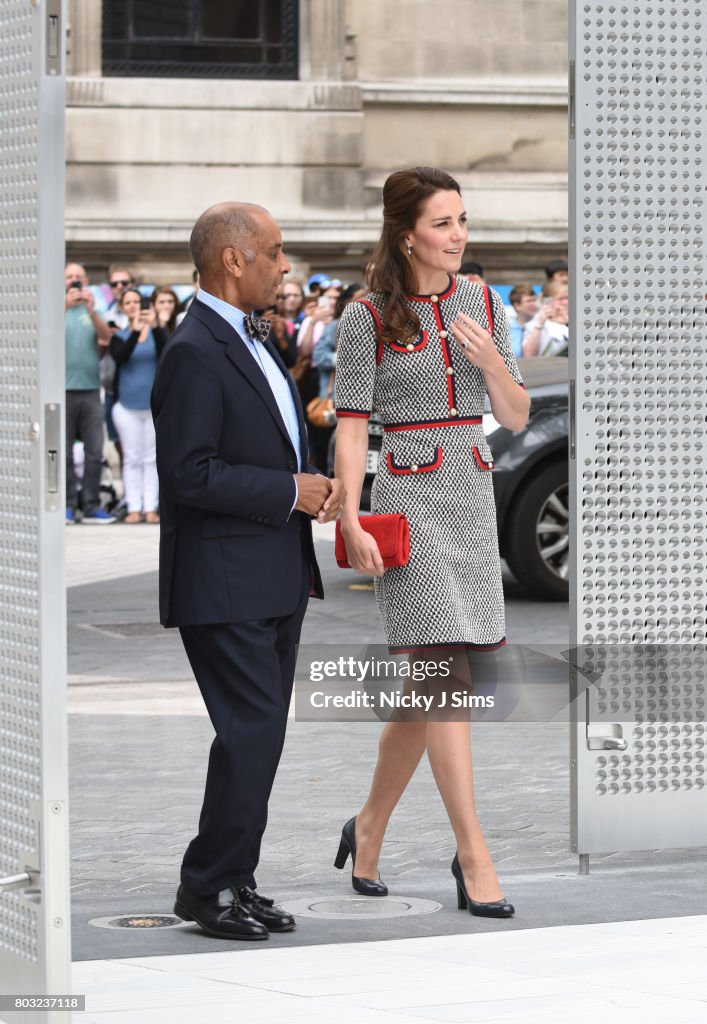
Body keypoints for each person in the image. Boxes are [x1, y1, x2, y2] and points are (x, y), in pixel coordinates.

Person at [334, 166, 529, 917]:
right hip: (409, 501)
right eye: (442, 224)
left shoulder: (483, 301)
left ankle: (369, 824)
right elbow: (352, 426)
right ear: (406, 232)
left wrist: (488, 363)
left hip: (471, 498)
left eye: (462, 221)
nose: (457, 236)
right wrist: (349, 514)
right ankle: (473, 856)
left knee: (430, 688)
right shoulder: (364, 316)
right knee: (446, 676)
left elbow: (512, 416)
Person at [151, 201, 346, 941]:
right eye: (273, 251)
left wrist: (308, 483)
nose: (283, 264)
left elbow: (262, 446)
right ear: (231, 259)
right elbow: (188, 474)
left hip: (272, 570)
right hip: (222, 581)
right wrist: (286, 490)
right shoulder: (193, 348)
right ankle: (206, 886)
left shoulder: (255, 338)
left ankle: (233, 878)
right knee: (252, 734)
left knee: (257, 736)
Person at [110, 288, 168, 523]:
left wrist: (153, 325)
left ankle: (151, 507)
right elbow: (120, 357)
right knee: (132, 458)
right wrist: (135, 331)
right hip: (127, 407)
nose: (135, 306)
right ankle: (134, 506)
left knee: (152, 458)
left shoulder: (157, 332)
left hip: (153, 407)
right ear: (123, 307)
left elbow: (166, 350)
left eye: (138, 302)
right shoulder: (120, 336)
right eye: (129, 302)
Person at [64, 262, 116, 524]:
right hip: (62, 391)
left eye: (78, 277)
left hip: (90, 390)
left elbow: (105, 338)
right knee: (62, 452)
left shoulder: (92, 308)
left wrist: (92, 311)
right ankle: (68, 505)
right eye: (70, 277)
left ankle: (92, 504)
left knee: (94, 451)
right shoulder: (55, 308)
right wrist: (65, 305)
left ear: (85, 281)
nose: (75, 281)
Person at [521, 280, 569, 357]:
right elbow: (529, 355)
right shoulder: (535, 323)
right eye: (560, 299)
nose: (565, 302)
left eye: (567, 298)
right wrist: (539, 325)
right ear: (547, 301)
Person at [508, 283, 540, 358]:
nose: (534, 304)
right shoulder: (508, 330)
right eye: (529, 301)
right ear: (517, 306)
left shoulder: (543, 324)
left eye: (534, 300)